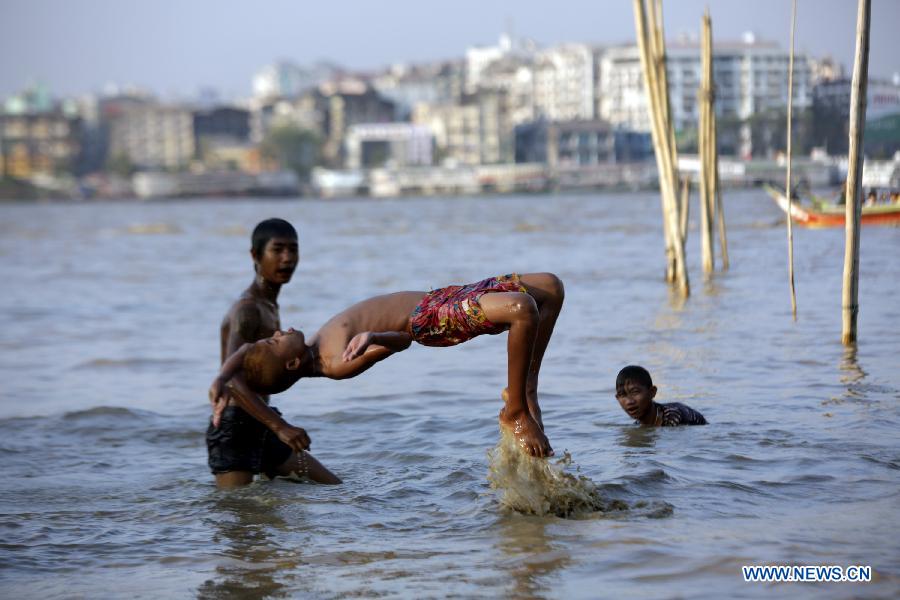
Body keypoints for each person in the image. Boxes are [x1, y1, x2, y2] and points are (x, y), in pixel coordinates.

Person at [209, 273, 565, 458]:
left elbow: (246, 353)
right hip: (429, 319)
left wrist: (223, 376)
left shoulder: (312, 345)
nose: (278, 331)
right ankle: (515, 409)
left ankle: (525, 389)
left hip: (439, 297)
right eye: (275, 339)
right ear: (291, 361)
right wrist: (376, 336)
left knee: (549, 288)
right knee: (522, 309)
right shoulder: (336, 362)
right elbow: (406, 341)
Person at [208, 218, 341, 488]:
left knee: (333, 489)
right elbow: (230, 378)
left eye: (293, 250)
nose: (287, 258)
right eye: (277, 250)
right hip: (235, 430)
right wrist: (281, 427)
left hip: (262, 422)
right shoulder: (248, 310)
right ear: (255, 255)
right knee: (236, 519)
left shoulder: (268, 305)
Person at [614, 365, 707, 426]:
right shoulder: (638, 424)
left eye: (635, 392)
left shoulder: (672, 416)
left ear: (652, 392)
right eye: (622, 395)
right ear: (617, 398)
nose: (629, 401)